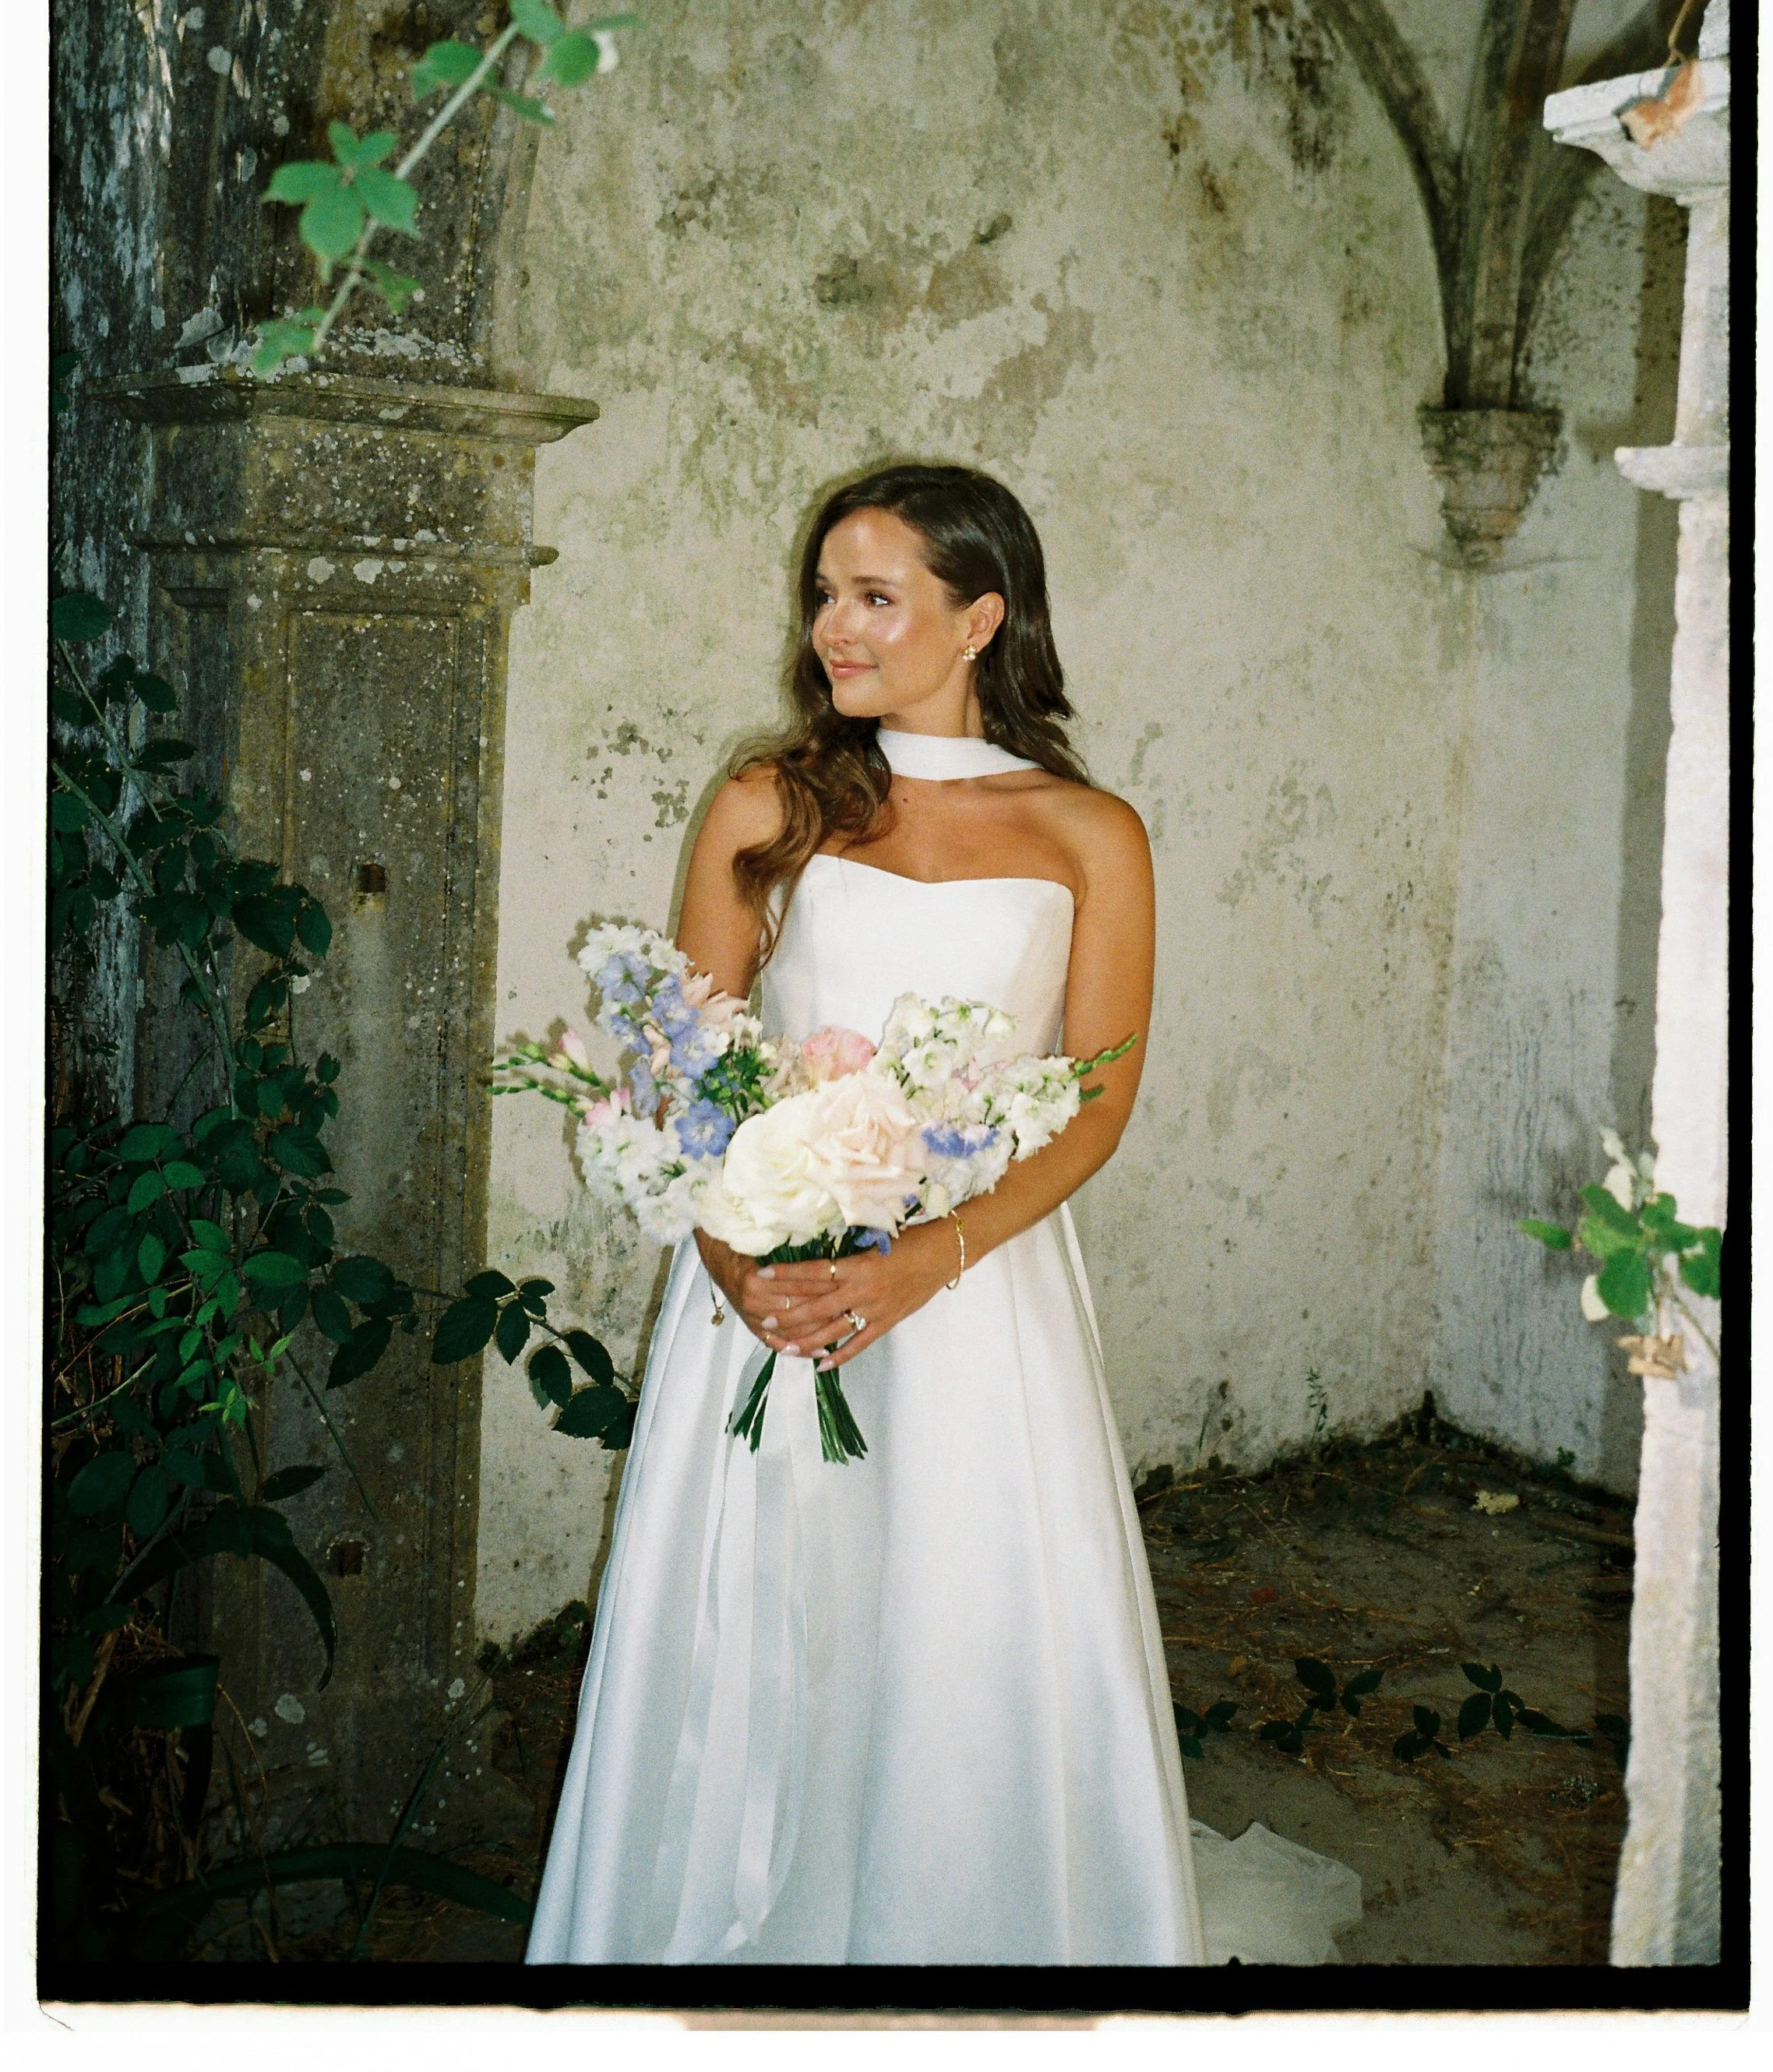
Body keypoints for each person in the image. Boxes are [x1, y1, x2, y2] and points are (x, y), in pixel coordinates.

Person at [525, 463, 1359, 1967]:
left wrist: (923, 1261)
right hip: (771, 1302)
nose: (836, 627)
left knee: (957, 1644)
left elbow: (1095, 1103)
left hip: (978, 1299)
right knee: (773, 1636)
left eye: (875, 595)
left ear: (980, 617)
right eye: (825, 595)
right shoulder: (768, 800)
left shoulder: (1091, 832)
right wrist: (735, 1255)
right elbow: (683, 1071)